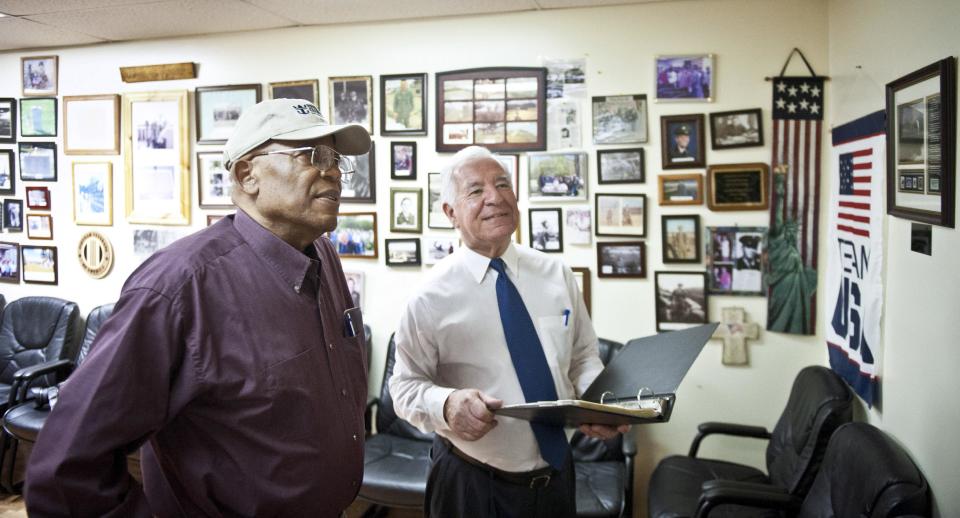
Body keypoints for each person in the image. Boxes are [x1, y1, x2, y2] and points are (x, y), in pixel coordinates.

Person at [25, 98, 372, 517]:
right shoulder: (178, 287)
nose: (332, 170)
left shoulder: (323, 257)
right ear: (248, 174)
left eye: (335, 158)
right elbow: (65, 470)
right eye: (312, 155)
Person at [390, 146, 627, 518]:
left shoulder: (557, 275)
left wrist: (600, 400)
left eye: (502, 184)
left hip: (558, 474)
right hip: (471, 484)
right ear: (450, 213)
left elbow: (583, 356)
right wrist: (447, 405)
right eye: (475, 190)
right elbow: (404, 387)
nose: (495, 197)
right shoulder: (429, 296)